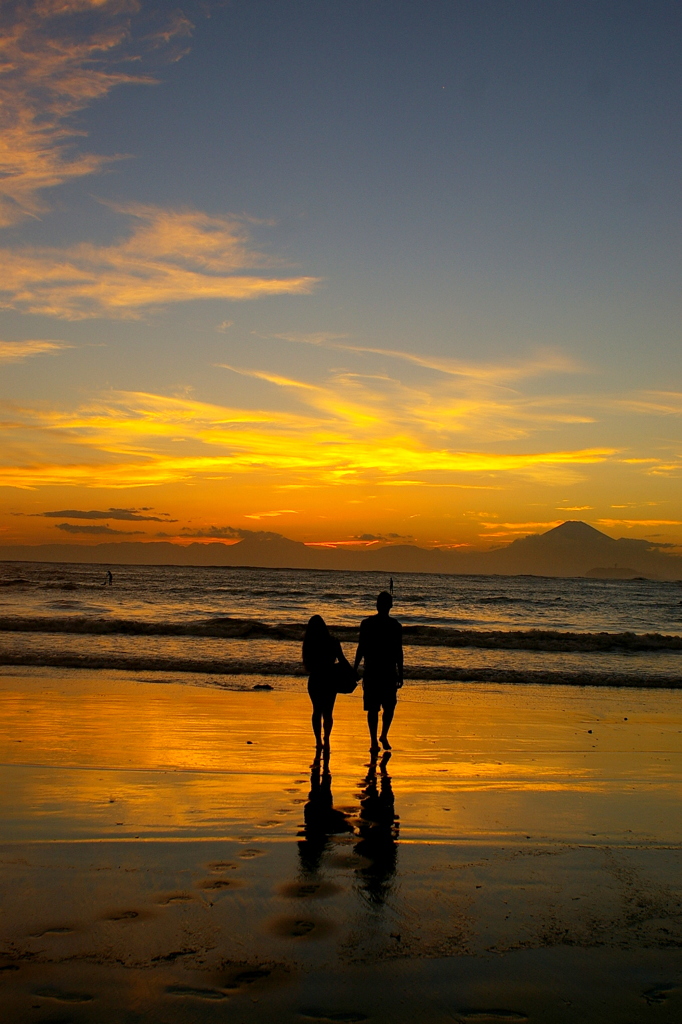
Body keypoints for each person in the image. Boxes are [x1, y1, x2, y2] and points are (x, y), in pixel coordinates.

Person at [354, 591, 403, 753]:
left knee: (380, 707)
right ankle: (377, 738)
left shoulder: (370, 624)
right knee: (382, 707)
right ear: (390, 606)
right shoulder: (392, 626)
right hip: (380, 671)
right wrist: (401, 673)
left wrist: (355, 668)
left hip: (377, 671)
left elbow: (361, 648)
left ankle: (378, 738)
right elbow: (398, 652)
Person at [302, 614, 348, 751]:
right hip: (330, 678)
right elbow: (342, 659)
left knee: (317, 710)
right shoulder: (333, 641)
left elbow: (307, 664)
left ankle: (318, 741)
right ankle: (326, 738)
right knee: (328, 712)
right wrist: (352, 672)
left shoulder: (309, 643)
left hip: (315, 678)